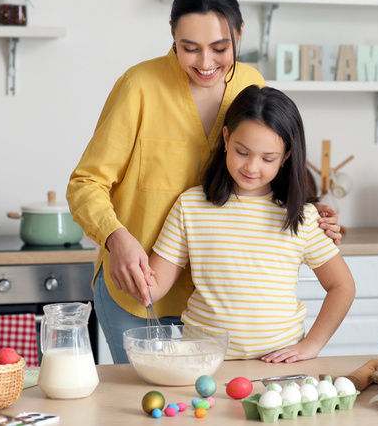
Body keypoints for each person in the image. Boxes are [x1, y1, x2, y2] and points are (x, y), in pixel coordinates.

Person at [66, 0, 341, 365]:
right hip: (143, 288)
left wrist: (309, 213)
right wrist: (115, 238)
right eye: (189, 49)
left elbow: (267, 165)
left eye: (220, 48)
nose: (206, 63)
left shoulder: (250, 84)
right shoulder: (138, 86)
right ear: (172, 36)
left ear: (240, 34)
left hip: (219, 301)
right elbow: (85, 183)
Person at [146, 85, 356, 362]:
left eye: (268, 158)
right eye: (242, 152)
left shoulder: (302, 218)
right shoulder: (191, 206)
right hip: (203, 360)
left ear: (287, 156)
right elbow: (153, 287)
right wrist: (121, 250)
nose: (251, 167)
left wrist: (313, 344)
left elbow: (343, 286)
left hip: (278, 364)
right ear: (226, 138)